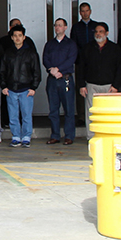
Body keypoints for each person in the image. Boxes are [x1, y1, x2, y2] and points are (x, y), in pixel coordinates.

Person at [76, 22, 121, 134]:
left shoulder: (115, 48)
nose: (98, 34)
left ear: (107, 33)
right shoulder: (87, 48)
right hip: (92, 85)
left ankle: (108, 135)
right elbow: (80, 68)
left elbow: (120, 69)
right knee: (91, 113)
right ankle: (91, 137)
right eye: (96, 31)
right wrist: (82, 85)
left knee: (109, 113)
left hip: (109, 86)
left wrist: (116, 86)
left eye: (101, 31)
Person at [0, 25, 41, 147]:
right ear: (11, 38)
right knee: (13, 115)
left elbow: (36, 71)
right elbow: (2, 71)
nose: (17, 38)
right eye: (15, 36)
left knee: (26, 115)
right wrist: (4, 86)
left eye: (20, 36)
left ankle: (27, 136)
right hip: (11, 89)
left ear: (24, 37)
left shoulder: (31, 53)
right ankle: (16, 136)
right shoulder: (7, 53)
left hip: (26, 89)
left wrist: (33, 87)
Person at [42, 17, 78, 145]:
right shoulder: (50, 44)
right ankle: (55, 135)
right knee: (53, 109)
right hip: (52, 80)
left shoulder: (70, 44)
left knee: (68, 109)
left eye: (60, 25)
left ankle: (69, 136)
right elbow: (45, 58)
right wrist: (51, 69)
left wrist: (59, 69)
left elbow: (71, 59)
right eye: (56, 25)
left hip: (65, 79)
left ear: (65, 27)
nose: (58, 27)